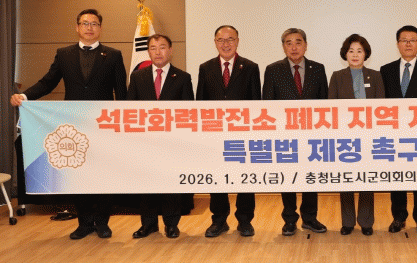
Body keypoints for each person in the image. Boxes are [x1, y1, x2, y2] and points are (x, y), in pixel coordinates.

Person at [10, 8, 127, 240]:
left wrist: (122, 126)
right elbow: (47, 82)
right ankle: (84, 222)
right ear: (77, 27)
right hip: (73, 127)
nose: (89, 27)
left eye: (94, 23)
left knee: (103, 175)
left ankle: (103, 223)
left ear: (100, 28)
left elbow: (122, 93)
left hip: (103, 126)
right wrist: (25, 96)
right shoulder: (64, 54)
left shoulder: (113, 55)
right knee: (78, 175)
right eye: (85, 23)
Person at [262, 28, 329, 236]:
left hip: (312, 135)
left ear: (305, 45)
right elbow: (267, 104)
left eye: (298, 42)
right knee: (288, 177)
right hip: (285, 136)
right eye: (288, 43)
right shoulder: (273, 70)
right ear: (283, 47)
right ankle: (289, 219)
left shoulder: (318, 69)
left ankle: (310, 218)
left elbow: (324, 103)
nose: (294, 47)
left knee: (310, 177)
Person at [127, 34, 194, 239]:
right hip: (145, 141)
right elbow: (130, 109)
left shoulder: (182, 77)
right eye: (153, 48)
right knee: (146, 183)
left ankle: (171, 224)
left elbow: (188, 112)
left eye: (162, 47)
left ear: (170, 51)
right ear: (148, 51)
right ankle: (148, 224)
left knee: (171, 183)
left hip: (172, 142)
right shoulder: (137, 77)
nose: (158, 52)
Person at [197, 25, 261, 237]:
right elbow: (200, 103)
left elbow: (256, 102)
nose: (225, 44)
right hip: (214, 134)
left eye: (230, 39)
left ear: (237, 41)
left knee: (245, 177)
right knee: (217, 177)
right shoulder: (205, 68)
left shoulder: (250, 67)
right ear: (215, 42)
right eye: (221, 40)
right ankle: (219, 220)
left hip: (243, 134)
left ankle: (245, 221)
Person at [380, 25, 417, 235]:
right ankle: (399, 217)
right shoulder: (386, 71)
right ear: (398, 44)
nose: (408, 44)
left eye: (413, 40)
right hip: (394, 134)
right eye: (404, 40)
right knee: (398, 178)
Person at [329, 34, 385, 236]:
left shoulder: (375, 76)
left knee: (366, 178)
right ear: (345, 54)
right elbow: (331, 107)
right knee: (346, 179)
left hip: (369, 136)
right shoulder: (337, 76)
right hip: (344, 137)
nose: (355, 55)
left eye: (359, 51)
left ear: (365, 54)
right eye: (351, 51)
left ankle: (366, 221)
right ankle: (348, 222)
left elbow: (381, 107)